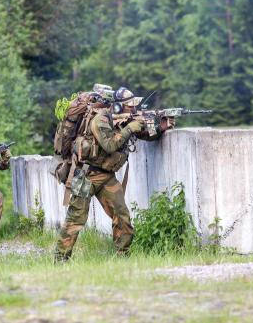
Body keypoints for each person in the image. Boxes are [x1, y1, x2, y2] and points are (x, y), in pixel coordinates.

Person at [54, 86, 175, 261]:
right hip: (86, 174)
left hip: (106, 175)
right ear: (117, 107)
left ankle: (123, 255)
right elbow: (110, 145)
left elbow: (144, 134)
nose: (133, 109)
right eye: (129, 106)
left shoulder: (124, 119)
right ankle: (60, 259)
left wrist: (161, 126)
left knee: (121, 215)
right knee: (76, 219)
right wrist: (130, 128)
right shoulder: (100, 119)